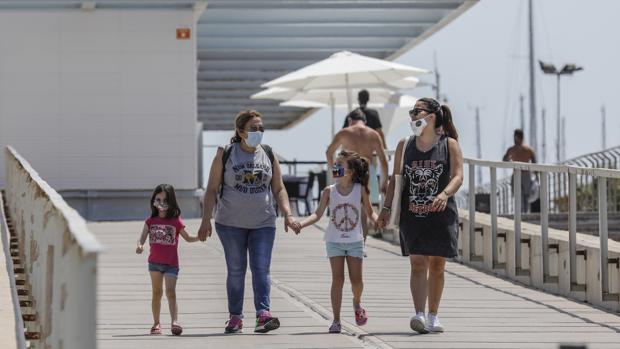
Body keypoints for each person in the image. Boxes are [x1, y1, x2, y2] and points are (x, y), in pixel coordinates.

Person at [197, 109, 301, 334]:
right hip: (229, 223)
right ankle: (235, 317)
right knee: (236, 270)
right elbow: (212, 189)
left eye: (261, 128)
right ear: (240, 131)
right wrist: (205, 220)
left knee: (261, 269)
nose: (258, 132)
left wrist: (288, 214)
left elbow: (279, 187)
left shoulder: (268, 153)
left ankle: (263, 315)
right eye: (253, 128)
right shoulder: (225, 153)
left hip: (263, 222)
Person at [377, 97, 463, 334]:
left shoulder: (449, 144)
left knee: (437, 265)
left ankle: (433, 315)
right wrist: (385, 209)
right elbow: (395, 179)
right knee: (417, 262)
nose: (413, 116)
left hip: (441, 214)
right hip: (412, 214)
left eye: (417, 111)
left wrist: (445, 194)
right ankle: (419, 314)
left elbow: (458, 176)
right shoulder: (405, 145)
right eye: (412, 112)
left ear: (432, 116)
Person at [298, 150, 378, 333]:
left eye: (340, 164)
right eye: (335, 164)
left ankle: (357, 303)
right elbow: (317, 214)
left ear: (350, 171)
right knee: (338, 279)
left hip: (355, 241)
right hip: (333, 241)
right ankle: (336, 320)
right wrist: (301, 225)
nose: (335, 167)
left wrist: (380, 221)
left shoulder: (360, 190)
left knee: (357, 281)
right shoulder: (329, 191)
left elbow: (370, 212)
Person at [136, 184, 200, 336]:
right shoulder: (150, 221)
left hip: (171, 264)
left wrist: (199, 237)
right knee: (156, 293)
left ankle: (174, 322)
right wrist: (140, 246)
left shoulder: (175, 221)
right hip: (154, 263)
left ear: (171, 202)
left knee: (171, 292)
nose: (161, 203)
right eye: (158, 199)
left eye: (165, 200)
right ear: (153, 201)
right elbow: (142, 238)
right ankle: (156, 323)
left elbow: (188, 237)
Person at [327, 110, 388, 244]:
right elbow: (383, 160)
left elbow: (329, 152)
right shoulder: (373, 134)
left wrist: (337, 173)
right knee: (365, 213)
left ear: (350, 120)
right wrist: (384, 182)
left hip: (347, 172)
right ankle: (361, 246)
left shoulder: (344, 132)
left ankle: (343, 242)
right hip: (367, 172)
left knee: (343, 208)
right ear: (364, 121)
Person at [502, 129, 537, 213]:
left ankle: (522, 214)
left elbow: (504, 160)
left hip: (521, 175)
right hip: (525, 175)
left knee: (522, 197)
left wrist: (510, 160)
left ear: (517, 137)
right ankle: (523, 214)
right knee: (524, 197)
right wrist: (536, 176)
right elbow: (535, 163)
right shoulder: (529, 150)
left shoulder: (512, 150)